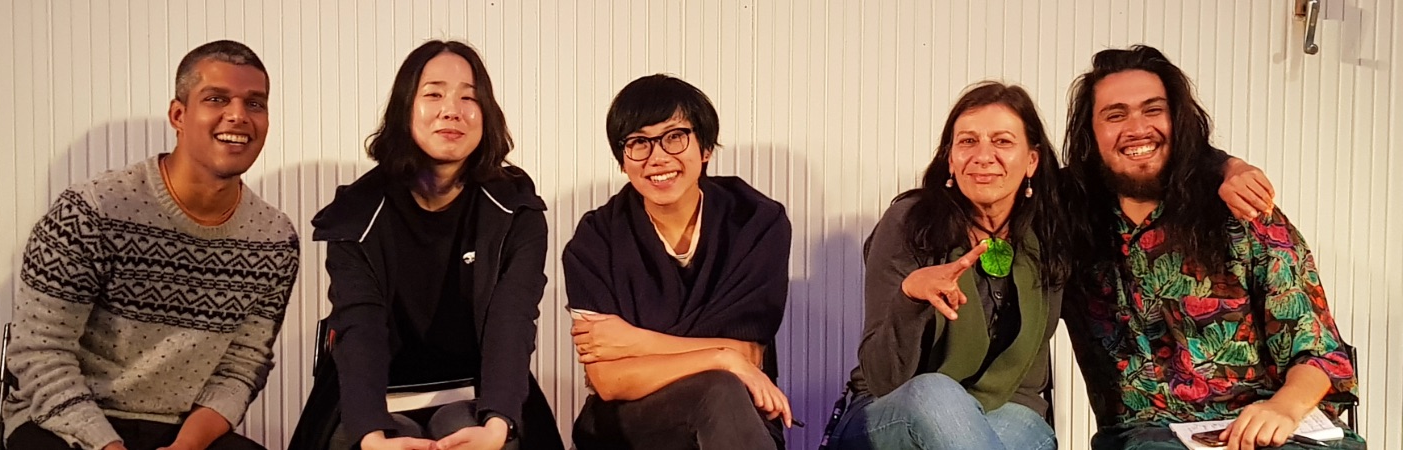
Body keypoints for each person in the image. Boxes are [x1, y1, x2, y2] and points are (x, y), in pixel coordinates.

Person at [1060, 45, 1364, 450]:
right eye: (1115, 115)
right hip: (1146, 436)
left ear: (1179, 121)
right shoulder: (1065, 222)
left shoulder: (1243, 214)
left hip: (1270, 428)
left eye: (1153, 110)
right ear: (1091, 134)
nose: (1137, 128)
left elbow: (1320, 353)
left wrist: (1283, 408)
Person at [3, 40, 300, 450]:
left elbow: (242, 366)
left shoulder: (274, 239)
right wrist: (107, 445)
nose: (238, 115)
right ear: (179, 115)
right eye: (216, 98)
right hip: (63, 425)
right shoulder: (91, 211)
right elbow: (41, 353)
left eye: (255, 103)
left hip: (181, 431)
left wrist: (186, 446)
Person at [302, 40, 565, 450]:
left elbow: (512, 320)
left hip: (478, 391)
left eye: (468, 97)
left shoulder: (516, 208)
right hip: (377, 396)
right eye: (434, 94)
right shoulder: (358, 211)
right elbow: (359, 325)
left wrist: (498, 425)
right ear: (405, 108)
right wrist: (371, 436)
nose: (451, 110)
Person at [830, 82, 1068, 450]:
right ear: (951, 159)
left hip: (1009, 408)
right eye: (968, 142)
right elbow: (880, 379)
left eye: (1002, 141)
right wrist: (910, 299)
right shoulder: (909, 225)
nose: (983, 156)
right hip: (892, 410)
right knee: (937, 394)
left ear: (1031, 161)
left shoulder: (1051, 235)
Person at [562, 74, 792, 449]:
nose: (658, 157)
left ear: (705, 148)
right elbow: (608, 380)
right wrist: (723, 357)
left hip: (736, 418)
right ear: (622, 161)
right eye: (639, 142)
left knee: (721, 391)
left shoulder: (755, 221)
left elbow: (747, 352)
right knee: (719, 385)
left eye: (675, 137)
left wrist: (633, 341)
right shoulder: (596, 239)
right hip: (628, 426)